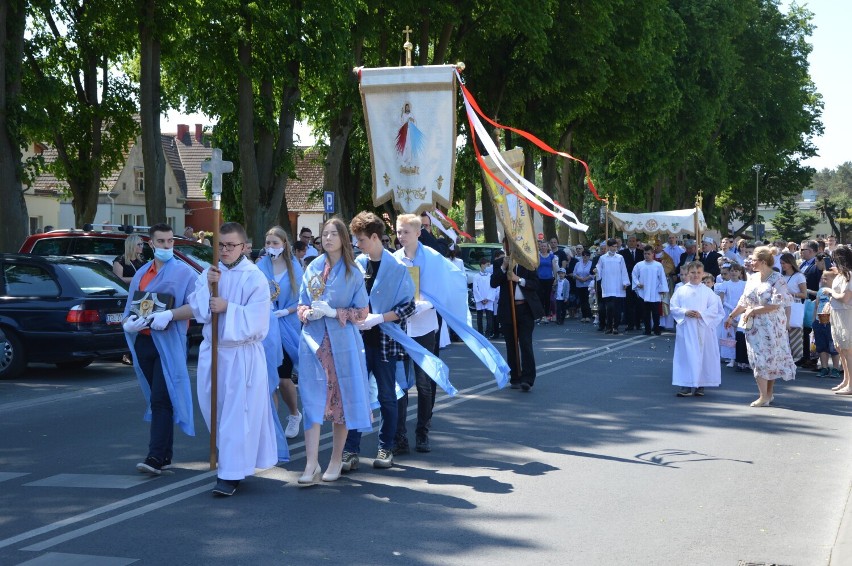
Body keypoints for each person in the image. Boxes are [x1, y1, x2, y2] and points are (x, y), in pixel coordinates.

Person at [185, 222, 278, 496]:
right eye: (221, 245)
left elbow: (259, 322)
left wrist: (228, 308)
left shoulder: (255, 277)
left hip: (241, 354)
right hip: (213, 351)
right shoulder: (209, 274)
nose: (225, 250)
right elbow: (199, 310)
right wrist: (210, 288)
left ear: (244, 247)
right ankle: (229, 463)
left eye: (231, 245)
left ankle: (230, 474)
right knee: (214, 409)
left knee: (236, 416)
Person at [296, 218, 371, 485]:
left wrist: (335, 312)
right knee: (312, 401)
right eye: (324, 234)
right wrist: (307, 312)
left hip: (341, 344)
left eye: (333, 234)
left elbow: (362, 312)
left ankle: (336, 459)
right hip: (314, 343)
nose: (327, 239)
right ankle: (310, 463)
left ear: (343, 239)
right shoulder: (312, 266)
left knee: (340, 403)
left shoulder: (353, 271)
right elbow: (301, 303)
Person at [122, 223, 197, 477]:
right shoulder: (143, 272)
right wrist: (129, 323)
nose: (167, 246)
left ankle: (154, 456)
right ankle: (164, 455)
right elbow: (132, 307)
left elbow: (198, 307)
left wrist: (171, 314)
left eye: (170, 242)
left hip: (170, 342)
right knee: (157, 398)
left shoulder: (185, 273)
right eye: (161, 242)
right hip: (144, 342)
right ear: (151, 243)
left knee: (160, 399)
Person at [344, 212, 415, 467]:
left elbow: (409, 307)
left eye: (361, 240)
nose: (358, 245)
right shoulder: (356, 265)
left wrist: (380, 318)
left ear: (375, 237)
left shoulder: (397, 268)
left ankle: (386, 448)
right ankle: (350, 449)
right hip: (358, 342)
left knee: (387, 396)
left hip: (385, 342)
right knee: (355, 396)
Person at [725, 246, 796, 407]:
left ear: (763, 262)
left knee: (771, 359)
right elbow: (744, 301)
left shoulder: (777, 278)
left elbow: (777, 304)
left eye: (753, 259)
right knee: (758, 359)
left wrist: (754, 310)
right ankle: (765, 395)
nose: (750, 261)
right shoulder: (752, 278)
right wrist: (731, 316)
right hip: (754, 326)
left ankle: (766, 395)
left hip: (773, 325)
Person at [257, 226, 304, 439]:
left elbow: (302, 300)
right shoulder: (259, 266)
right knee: (268, 381)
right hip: (264, 329)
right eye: (268, 243)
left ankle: (294, 414)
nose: (270, 247)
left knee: (283, 379)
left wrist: (285, 311)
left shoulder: (295, 268)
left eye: (275, 243)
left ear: (284, 244)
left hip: (286, 327)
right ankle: (271, 429)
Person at [491, 236, 544, 390]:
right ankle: (515, 376)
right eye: (507, 245)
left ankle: (528, 378)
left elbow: (535, 284)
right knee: (511, 344)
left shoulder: (528, 262)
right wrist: (503, 268)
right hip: (508, 310)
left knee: (525, 343)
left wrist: (518, 279)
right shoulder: (499, 263)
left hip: (525, 309)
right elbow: (493, 282)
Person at [671, 261, 725, 397]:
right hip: (687, 328)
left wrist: (702, 315)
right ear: (688, 273)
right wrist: (684, 312)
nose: (695, 275)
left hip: (702, 328)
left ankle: (701, 384)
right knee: (686, 355)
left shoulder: (707, 292)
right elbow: (674, 306)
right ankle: (686, 384)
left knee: (703, 355)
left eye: (698, 273)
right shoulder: (681, 290)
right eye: (693, 272)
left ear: (703, 274)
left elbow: (716, 309)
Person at [823, 246, 852, 395]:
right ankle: (846, 380)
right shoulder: (842, 274)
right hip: (838, 313)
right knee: (841, 348)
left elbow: (845, 298)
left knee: (848, 349)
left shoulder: (849, 275)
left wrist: (830, 292)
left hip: (846, 314)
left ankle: (851, 384)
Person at [596, 238, 630, 335]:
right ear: (609, 247)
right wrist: (596, 271)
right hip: (608, 285)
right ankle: (609, 326)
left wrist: (625, 282)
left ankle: (616, 326)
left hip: (618, 285)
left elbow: (624, 270)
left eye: (616, 246)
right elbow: (599, 269)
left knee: (617, 308)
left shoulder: (620, 258)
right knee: (609, 307)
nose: (615, 248)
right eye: (613, 246)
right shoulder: (603, 258)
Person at [632, 245, 667, 335]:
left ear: (652, 254)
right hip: (643, 291)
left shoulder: (658, 265)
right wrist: (637, 283)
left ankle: (656, 329)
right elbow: (634, 275)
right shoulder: (639, 265)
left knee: (655, 312)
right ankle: (647, 329)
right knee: (645, 313)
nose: (646, 255)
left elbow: (662, 278)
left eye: (648, 254)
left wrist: (662, 289)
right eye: (645, 254)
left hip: (655, 292)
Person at [813, 271, 841, 379]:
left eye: (826, 278)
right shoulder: (820, 291)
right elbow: (817, 305)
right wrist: (814, 322)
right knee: (821, 346)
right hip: (820, 321)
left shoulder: (837, 291)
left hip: (832, 322)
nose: (824, 281)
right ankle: (824, 367)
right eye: (823, 278)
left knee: (834, 347)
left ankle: (835, 368)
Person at [780, 252, 807, 362]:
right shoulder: (781, 276)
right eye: (781, 263)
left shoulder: (799, 276)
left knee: (794, 332)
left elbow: (804, 294)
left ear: (791, 263)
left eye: (785, 263)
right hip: (782, 306)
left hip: (794, 305)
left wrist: (790, 294)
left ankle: (794, 358)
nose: (783, 265)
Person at [619, 235, 644, 331]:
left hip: (639, 281)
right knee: (628, 304)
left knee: (639, 304)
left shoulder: (641, 253)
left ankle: (638, 324)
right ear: (627, 242)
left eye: (634, 241)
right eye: (630, 241)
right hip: (628, 281)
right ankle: (629, 324)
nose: (632, 243)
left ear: (636, 242)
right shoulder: (622, 253)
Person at [473, 256, 496, 336]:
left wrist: (488, 298)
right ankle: (480, 333)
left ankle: (488, 333)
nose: (488, 267)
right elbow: (475, 289)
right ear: (482, 265)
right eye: (487, 265)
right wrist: (480, 299)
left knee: (489, 317)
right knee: (479, 317)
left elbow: (493, 287)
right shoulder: (476, 276)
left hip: (488, 299)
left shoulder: (490, 276)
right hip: (480, 299)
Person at [537, 240, 557, 322]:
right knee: (540, 297)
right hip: (540, 279)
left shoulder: (551, 256)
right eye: (542, 246)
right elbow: (536, 267)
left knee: (547, 298)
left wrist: (555, 278)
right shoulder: (538, 256)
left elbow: (554, 268)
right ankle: (541, 315)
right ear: (540, 247)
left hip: (549, 279)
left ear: (547, 247)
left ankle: (547, 314)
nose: (543, 247)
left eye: (545, 246)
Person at [571, 249, 594, 322]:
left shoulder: (591, 263)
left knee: (587, 300)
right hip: (579, 284)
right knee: (582, 301)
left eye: (587, 255)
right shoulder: (578, 264)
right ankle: (584, 316)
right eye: (584, 255)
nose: (585, 256)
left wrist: (586, 278)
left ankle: (588, 315)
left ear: (589, 256)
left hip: (588, 285)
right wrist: (580, 278)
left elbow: (593, 274)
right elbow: (574, 273)